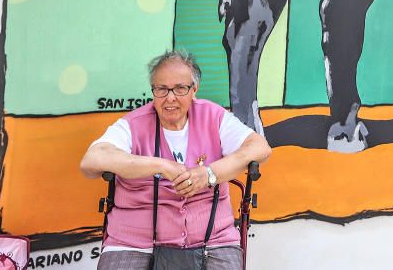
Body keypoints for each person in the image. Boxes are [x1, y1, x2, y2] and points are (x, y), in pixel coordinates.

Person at [80, 50, 272, 270]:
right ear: (153, 91)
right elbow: (91, 162)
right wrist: (160, 165)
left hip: (213, 241)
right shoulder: (133, 124)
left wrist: (209, 174)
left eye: (180, 88)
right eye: (162, 89)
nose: (170, 98)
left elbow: (260, 148)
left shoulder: (214, 117)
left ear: (194, 90)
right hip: (133, 243)